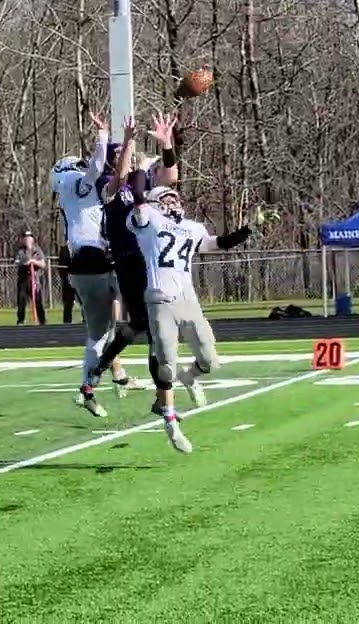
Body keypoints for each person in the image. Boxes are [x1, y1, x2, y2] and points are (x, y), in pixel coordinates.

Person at [128, 184, 264, 453]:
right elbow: (139, 196)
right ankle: (170, 423)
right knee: (166, 364)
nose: (174, 202)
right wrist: (138, 161)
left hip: (188, 301)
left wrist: (247, 229)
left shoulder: (192, 227)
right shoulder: (148, 221)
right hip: (159, 301)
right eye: (167, 199)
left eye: (176, 197)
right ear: (155, 203)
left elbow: (217, 244)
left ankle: (189, 377)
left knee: (211, 362)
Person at [75, 113, 175, 416]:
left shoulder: (139, 181)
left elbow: (170, 179)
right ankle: (159, 397)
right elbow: (118, 179)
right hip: (129, 260)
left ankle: (107, 373)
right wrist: (129, 143)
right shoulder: (108, 185)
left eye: (125, 153)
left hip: (151, 259)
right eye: (118, 154)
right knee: (149, 327)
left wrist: (167, 146)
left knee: (150, 327)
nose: (125, 157)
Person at [13, 230, 48, 325]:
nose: (27, 239)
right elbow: (16, 262)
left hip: (35, 279)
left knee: (38, 300)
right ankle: (21, 320)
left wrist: (33, 261)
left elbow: (43, 264)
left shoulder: (37, 250)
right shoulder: (20, 251)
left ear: (32, 239)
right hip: (24, 279)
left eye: (29, 237)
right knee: (21, 300)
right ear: (23, 239)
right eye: (25, 237)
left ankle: (42, 320)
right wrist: (25, 263)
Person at [57, 244, 76, 324]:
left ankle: (86, 320)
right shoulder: (64, 249)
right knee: (68, 302)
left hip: (81, 277)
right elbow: (61, 266)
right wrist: (66, 277)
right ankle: (67, 322)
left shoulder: (82, 247)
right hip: (68, 279)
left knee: (84, 301)